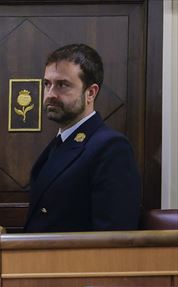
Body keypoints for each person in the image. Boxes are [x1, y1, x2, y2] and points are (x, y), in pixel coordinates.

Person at [24, 44, 141, 233]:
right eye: (47, 84)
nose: (51, 94)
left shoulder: (111, 148)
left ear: (91, 92)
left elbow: (114, 238)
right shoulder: (61, 142)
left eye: (62, 85)